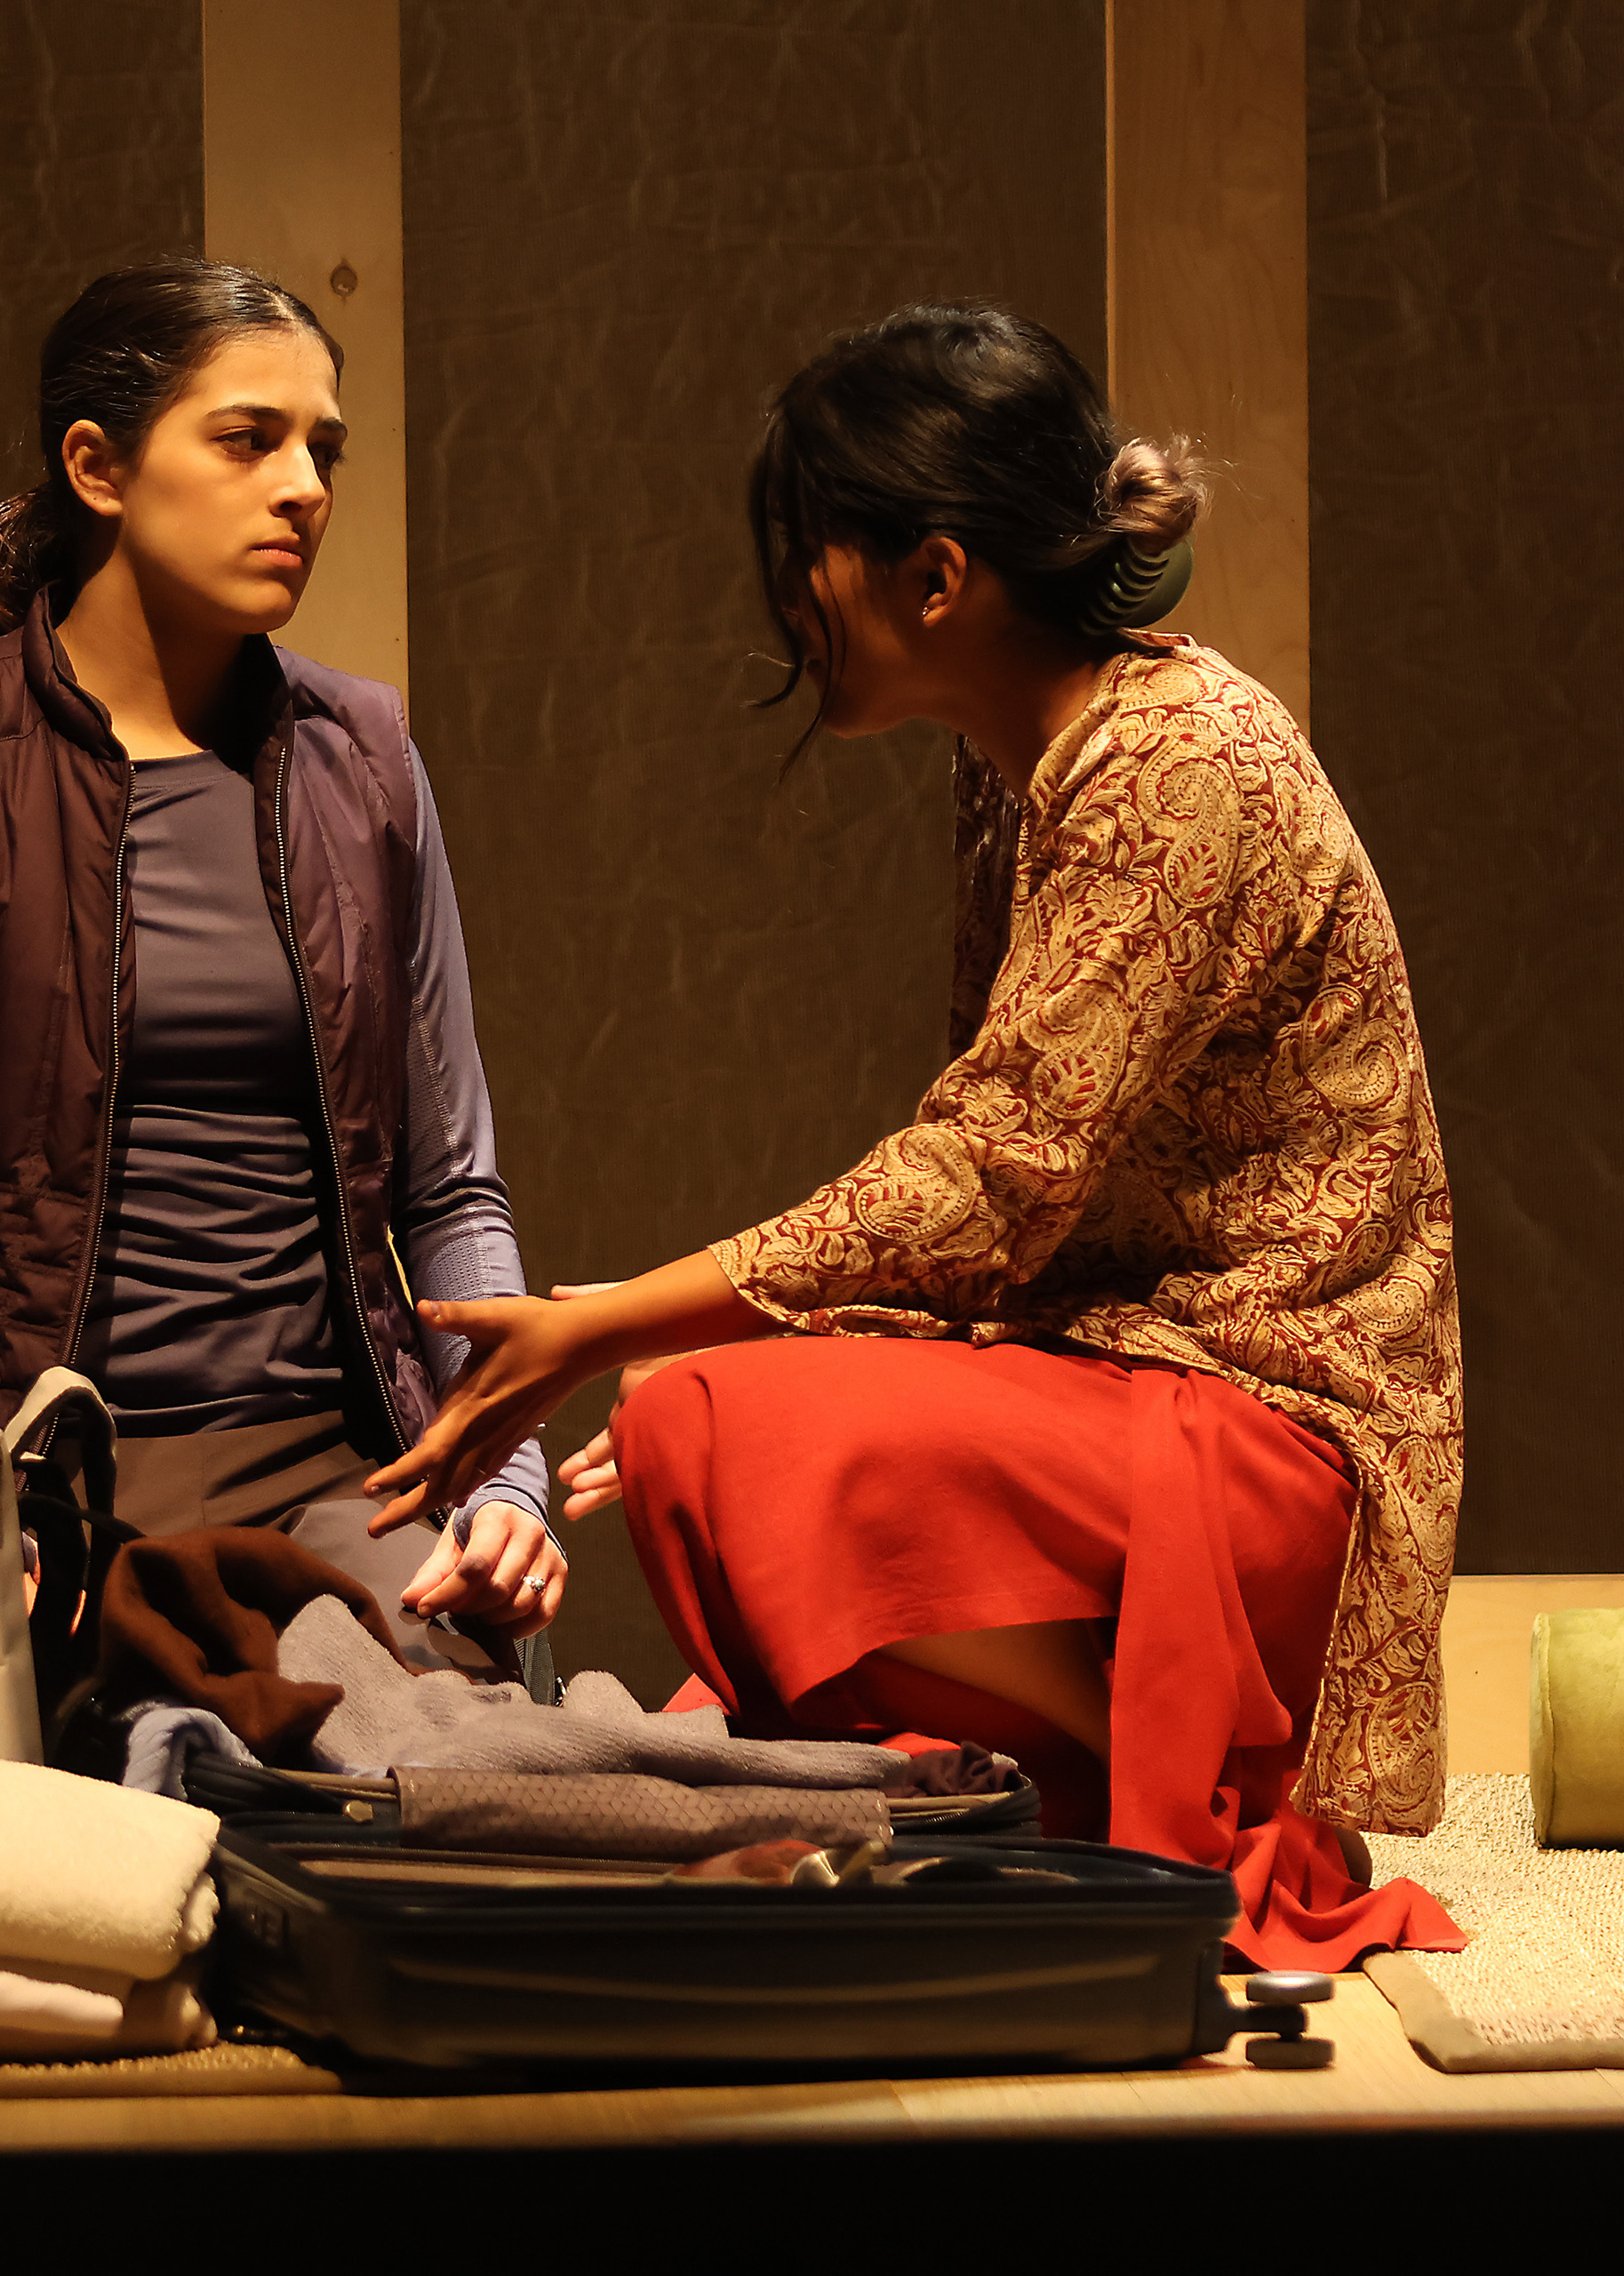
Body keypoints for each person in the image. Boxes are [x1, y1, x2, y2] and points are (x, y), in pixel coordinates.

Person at [365, 304, 1463, 1967]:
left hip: (1271, 1425)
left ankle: (1200, 1784)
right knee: (715, 1461)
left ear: (936, 576)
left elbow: (988, 1178)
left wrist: (617, 1326)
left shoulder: (1180, 764)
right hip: (1129, 1378)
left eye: (810, 551)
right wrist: (713, 1353)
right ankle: (1083, 1774)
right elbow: (1002, 1201)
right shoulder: (1026, 762)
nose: (789, 596)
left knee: (707, 1417)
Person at [0, 259, 562, 1671]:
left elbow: (450, 1191)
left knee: (441, 1737)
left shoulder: (367, 764)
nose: (302, 487)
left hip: (332, 1467)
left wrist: (501, 1480)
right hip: (11, 1463)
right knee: (61, 1774)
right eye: (249, 440)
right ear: (98, 467)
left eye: (324, 451)